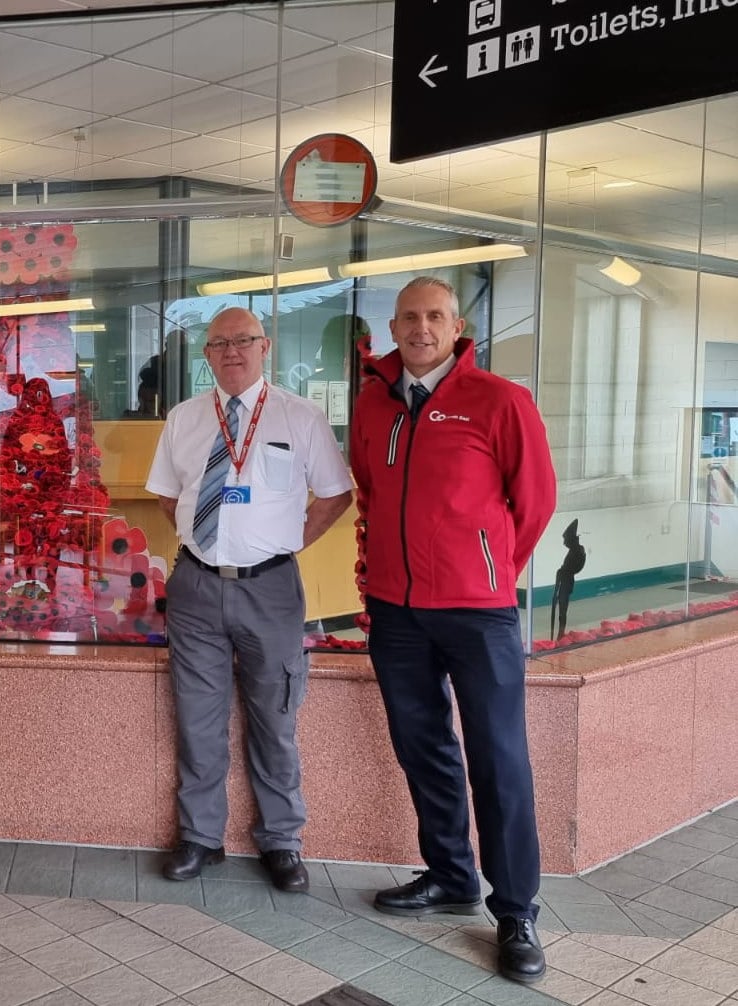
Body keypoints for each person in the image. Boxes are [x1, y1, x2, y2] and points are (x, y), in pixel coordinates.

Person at [350, 276, 557, 984]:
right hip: (397, 612)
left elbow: (533, 503)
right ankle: (449, 874)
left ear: (456, 325)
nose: (420, 327)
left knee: (499, 758)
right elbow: (371, 494)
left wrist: (487, 570)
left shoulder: (500, 401)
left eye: (433, 315)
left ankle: (517, 910)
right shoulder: (374, 404)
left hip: (478, 612)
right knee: (423, 746)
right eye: (408, 316)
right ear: (394, 327)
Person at [145, 307, 353, 890]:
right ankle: (199, 838)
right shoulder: (185, 418)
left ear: (266, 347)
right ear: (206, 355)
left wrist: (286, 543)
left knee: (275, 716)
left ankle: (282, 842)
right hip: (196, 586)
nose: (231, 352)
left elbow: (336, 495)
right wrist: (205, 536)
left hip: (271, 587)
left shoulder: (301, 416)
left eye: (243, 341)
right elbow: (168, 496)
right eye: (219, 344)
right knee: (198, 717)